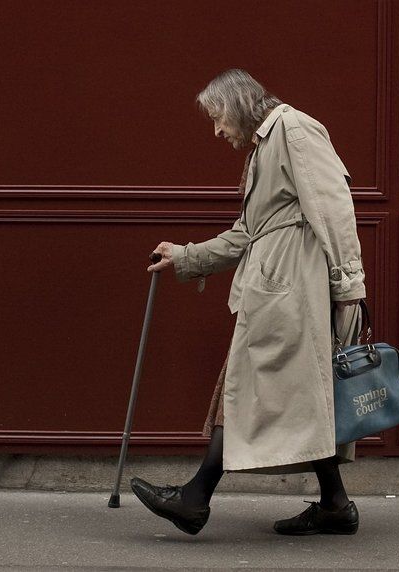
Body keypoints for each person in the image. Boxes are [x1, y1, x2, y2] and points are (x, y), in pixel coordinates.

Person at [130, 69, 367, 536]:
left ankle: (195, 499)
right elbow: (248, 232)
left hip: (291, 291)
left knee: (247, 392)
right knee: (295, 396)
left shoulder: (293, 128)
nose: (217, 131)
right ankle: (336, 505)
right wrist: (188, 256)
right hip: (276, 290)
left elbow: (335, 208)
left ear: (239, 103)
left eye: (218, 117)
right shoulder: (266, 145)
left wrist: (349, 288)